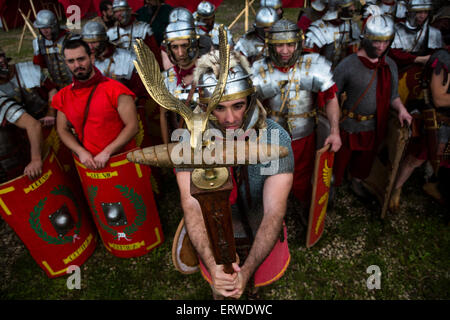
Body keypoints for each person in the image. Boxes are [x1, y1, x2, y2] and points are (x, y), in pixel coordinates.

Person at [176, 50, 294, 299]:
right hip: (213, 234)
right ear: (205, 107)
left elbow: (274, 210)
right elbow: (192, 206)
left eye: (238, 105)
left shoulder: (275, 138)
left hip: (258, 226)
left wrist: (247, 270)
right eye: (219, 108)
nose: (230, 119)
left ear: (250, 101)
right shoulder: (188, 141)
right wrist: (213, 264)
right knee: (222, 292)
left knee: (252, 289)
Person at [251, 19, 341, 214]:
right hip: (271, 137)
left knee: (303, 176)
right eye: (279, 45)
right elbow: (248, 107)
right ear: (270, 46)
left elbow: (331, 98)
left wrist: (334, 131)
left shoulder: (314, 65)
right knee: (271, 175)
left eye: (290, 44)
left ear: (298, 44)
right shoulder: (258, 70)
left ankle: (302, 208)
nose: (285, 50)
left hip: (304, 136)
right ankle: (273, 215)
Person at [332, 6, 412, 197]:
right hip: (348, 125)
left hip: (373, 125)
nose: (380, 46)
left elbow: (393, 95)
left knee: (364, 160)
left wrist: (401, 109)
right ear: (366, 39)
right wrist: (334, 127)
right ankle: (331, 188)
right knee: (338, 162)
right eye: (376, 41)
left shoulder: (389, 65)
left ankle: (357, 182)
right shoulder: (348, 65)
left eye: (385, 41)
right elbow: (331, 96)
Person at [53, 38, 138, 170]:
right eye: (71, 61)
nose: (77, 65)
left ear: (92, 58)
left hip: (123, 161)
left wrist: (107, 152)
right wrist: (80, 151)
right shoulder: (63, 96)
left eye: (81, 59)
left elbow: (132, 127)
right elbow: (62, 129)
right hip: (89, 165)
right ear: (66, 63)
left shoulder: (116, 90)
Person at [390, 49, 450, 210]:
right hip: (437, 119)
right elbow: (438, 98)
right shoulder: (443, 59)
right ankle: (395, 188)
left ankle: (435, 185)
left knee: (444, 159)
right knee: (417, 158)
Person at [160, 14, 212, 144]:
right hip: (180, 148)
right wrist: (167, 150)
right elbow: (164, 116)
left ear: (194, 44)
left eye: (184, 45)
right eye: (175, 47)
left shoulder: (211, 72)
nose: (181, 53)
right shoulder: (165, 79)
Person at [0, 47, 56, 126]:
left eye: (0, 56)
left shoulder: (27, 69)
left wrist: (51, 112)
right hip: (17, 129)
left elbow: (52, 90)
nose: (1, 60)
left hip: (47, 119)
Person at [304, 0, 361, 69]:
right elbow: (308, 64)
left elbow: (354, 56)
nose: (353, 8)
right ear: (337, 8)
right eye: (349, 5)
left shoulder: (351, 26)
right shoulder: (317, 30)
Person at [107, 0, 162, 68]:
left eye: (121, 10)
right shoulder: (111, 33)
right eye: (115, 12)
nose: (118, 14)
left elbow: (155, 55)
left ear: (129, 11)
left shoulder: (143, 29)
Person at [32, 9, 72, 90]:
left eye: (47, 27)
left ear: (55, 26)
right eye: (41, 28)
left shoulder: (70, 39)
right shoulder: (39, 42)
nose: (45, 31)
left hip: (75, 84)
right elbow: (38, 68)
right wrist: (50, 87)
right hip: (56, 87)